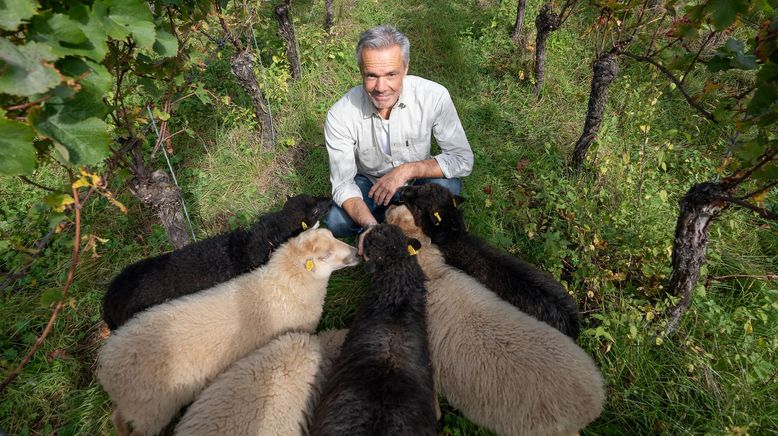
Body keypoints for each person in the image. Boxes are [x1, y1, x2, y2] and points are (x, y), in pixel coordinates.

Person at [324, 25, 474, 245]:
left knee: (449, 188)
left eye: (391, 74)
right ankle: (394, 221)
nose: (381, 87)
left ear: (405, 68)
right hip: (371, 183)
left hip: (416, 180)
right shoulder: (341, 114)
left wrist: (406, 170)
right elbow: (343, 184)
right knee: (336, 221)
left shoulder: (434, 96)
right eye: (371, 76)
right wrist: (372, 229)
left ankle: (404, 215)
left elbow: (462, 159)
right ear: (361, 72)